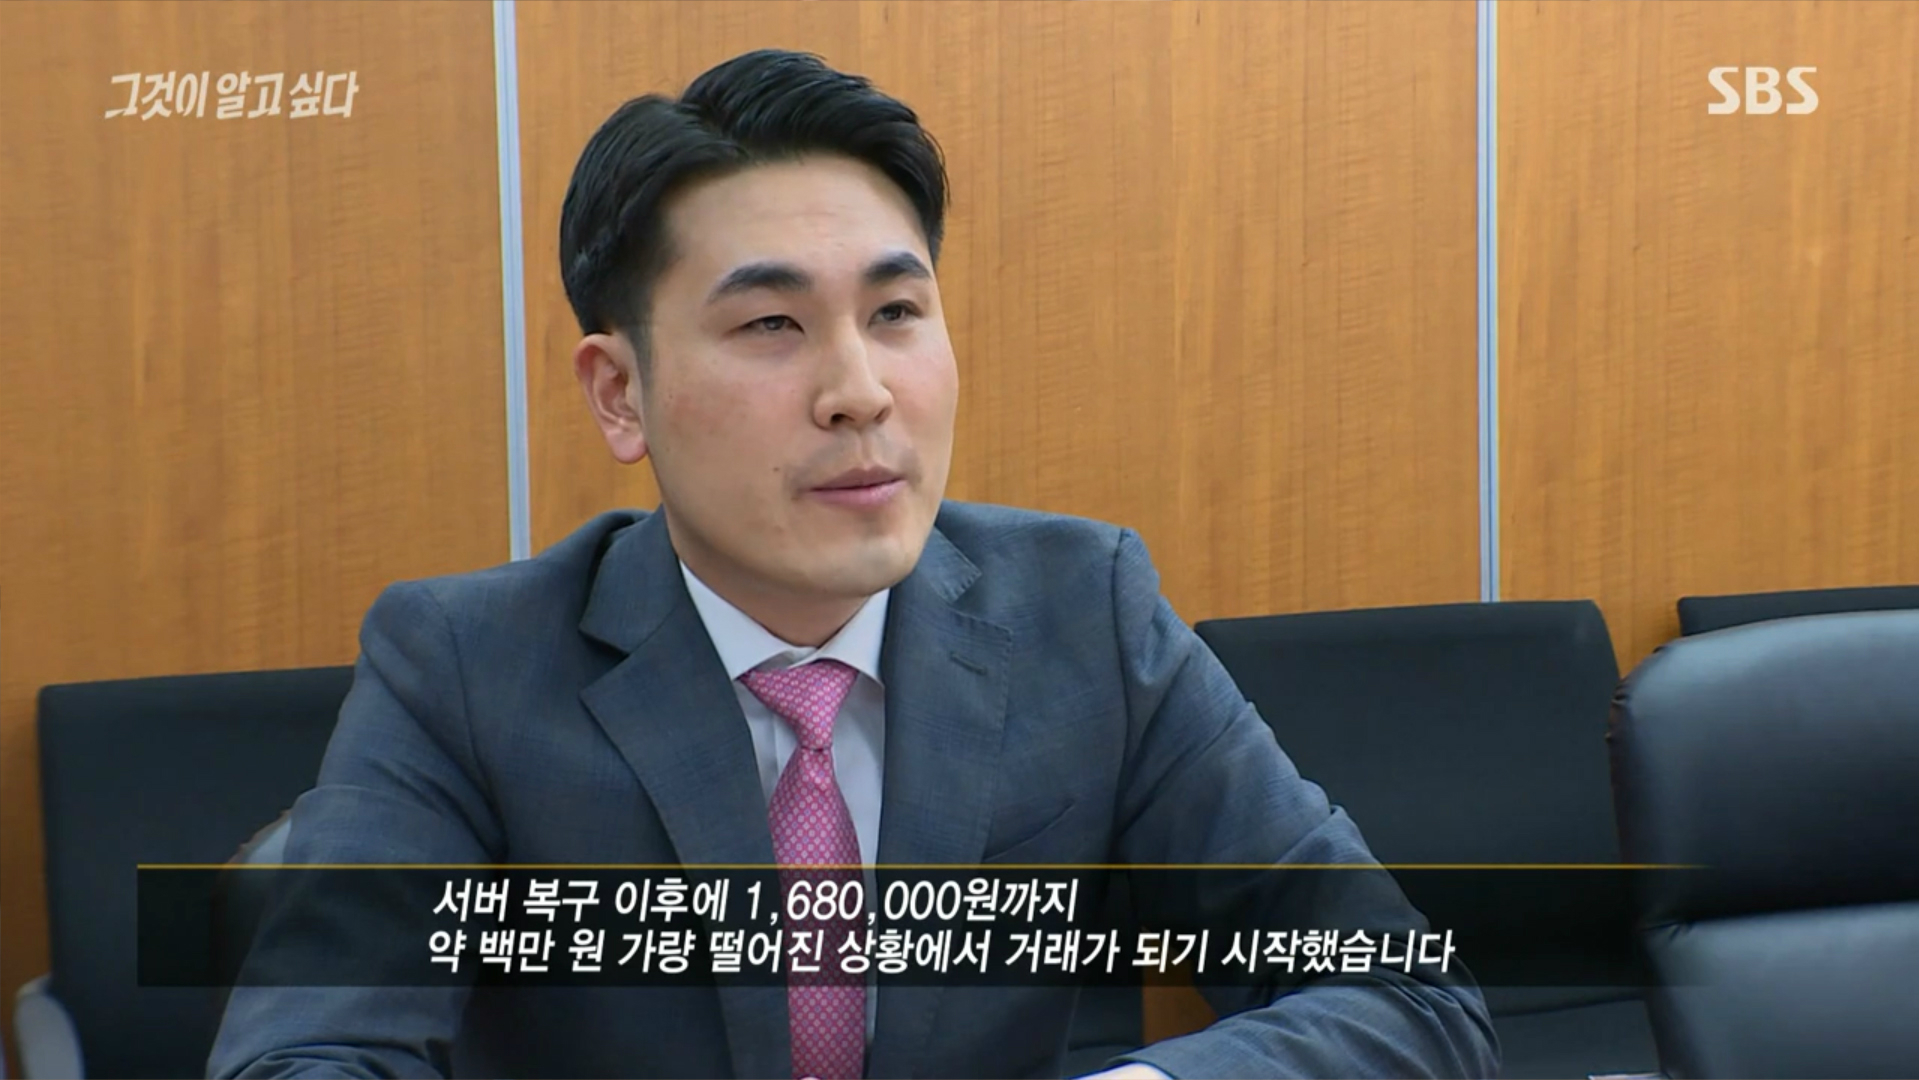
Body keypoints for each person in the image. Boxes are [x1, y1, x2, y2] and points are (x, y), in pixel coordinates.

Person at [210, 49, 1498, 1080]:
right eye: (772, 323)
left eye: (895, 313)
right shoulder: (465, 667)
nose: (860, 391)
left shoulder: (1084, 614)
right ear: (619, 392)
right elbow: (309, 1052)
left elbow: (1407, 998)